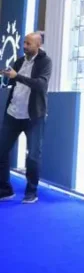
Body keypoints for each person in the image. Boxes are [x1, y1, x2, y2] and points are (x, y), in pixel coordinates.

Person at [0, 33, 52, 204]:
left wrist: (17, 76)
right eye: (24, 42)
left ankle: (31, 192)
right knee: (1, 151)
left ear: (38, 45)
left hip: (33, 116)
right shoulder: (20, 61)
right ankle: (5, 190)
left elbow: (41, 85)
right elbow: (13, 83)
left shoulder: (45, 62)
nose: (24, 46)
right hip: (13, 113)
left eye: (28, 43)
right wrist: (7, 76)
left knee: (33, 156)